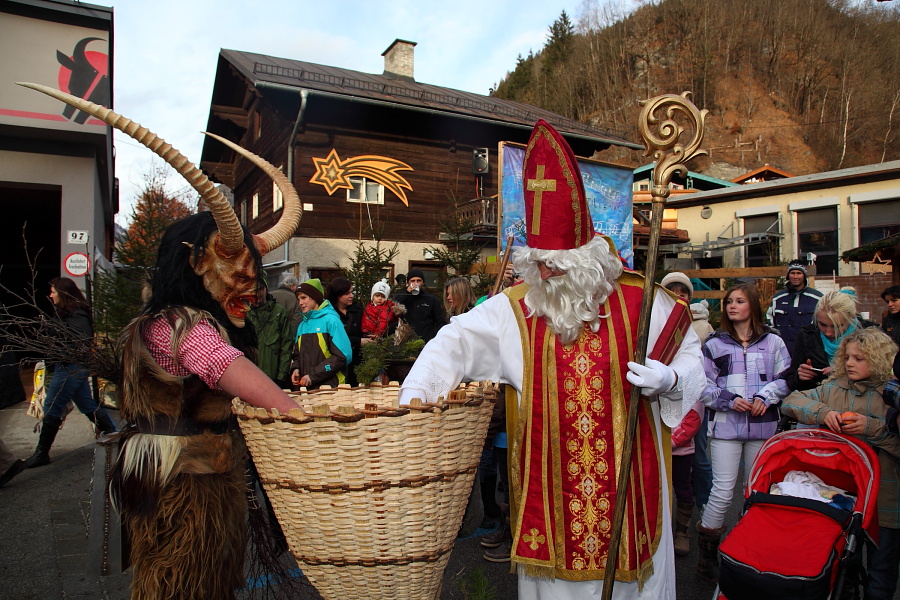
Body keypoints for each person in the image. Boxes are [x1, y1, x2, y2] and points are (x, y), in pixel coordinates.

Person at [398, 120, 705, 599]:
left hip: (631, 499)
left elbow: (691, 356)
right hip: (551, 503)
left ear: (586, 258)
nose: (544, 273)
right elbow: (452, 342)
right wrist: (416, 394)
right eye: (537, 262)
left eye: (556, 265)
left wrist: (670, 379)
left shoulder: (646, 303)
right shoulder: (516, 308)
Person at [781, 328, 900, 600]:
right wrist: (824, 412)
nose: (849, 363)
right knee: (840, 566)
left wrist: (871, 428)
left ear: (879, 359)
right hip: (843, 496)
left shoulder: (893, 395)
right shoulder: (835, 388)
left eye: (859, 358)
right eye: (847, 357)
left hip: (888, 498)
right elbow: (791, 401)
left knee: (881, 576)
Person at [697, 283, 791, 585]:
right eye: (728, 302)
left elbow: (785, 378)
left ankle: (749, 553)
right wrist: (728, 399)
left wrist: (766, 396)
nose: (732, 306)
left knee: (757, 491)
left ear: (753, 304)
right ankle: (707, 559)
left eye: (739, 301)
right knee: (723, 491)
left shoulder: (774, 342)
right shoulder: (714, 344)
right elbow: (703, 386)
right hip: (725, 426)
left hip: (763, 427)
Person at [23, 277, 117, 468]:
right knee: (86, 404)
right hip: (70, 366)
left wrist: (53, 329)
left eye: (53, 292)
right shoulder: (68, 313)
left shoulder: (77, 314)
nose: (50, 295)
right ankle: (115, 434)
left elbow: (79, 339)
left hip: (71, 367)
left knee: (52, 405)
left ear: (63, 294)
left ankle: (42, 453)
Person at [660, 272, 705, 556]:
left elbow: (695, 393)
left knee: (684, 487)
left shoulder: (697, 331)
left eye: (683, 291)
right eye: (671, 291)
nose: (678, 295)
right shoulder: (653, 328)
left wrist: (676, 437)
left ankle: (682, 531)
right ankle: (659, 531)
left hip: (680, 440)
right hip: (655, 435)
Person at [782, 288, 876, 394]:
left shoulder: (871, 335)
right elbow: (791, 382)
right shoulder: (807, 335)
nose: (828, 332)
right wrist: (800, 377)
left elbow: (883, 375)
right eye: (822, 324)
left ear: (852, 318)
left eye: (836, 326)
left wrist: (843, 371)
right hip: (818, 401)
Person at [290, 278, 352, 390]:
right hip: (306, 388)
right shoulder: (302, 325)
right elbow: (297, 355)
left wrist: (313, 375)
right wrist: (296, 368)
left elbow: (342, 356)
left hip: (331, 387)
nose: (300, 303)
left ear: (315, 297)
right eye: (298, 299)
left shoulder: (331, 321)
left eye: (304, 298)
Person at [766, 262, 823, 361]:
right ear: (788, 276)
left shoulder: (817, 298)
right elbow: (770, 323)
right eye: (792, 273)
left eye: (799, 273)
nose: (795, 276)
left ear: (804, 276)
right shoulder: (778, 298)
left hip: (808, 352)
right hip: (782, 352)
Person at [246, 280, 293, 388]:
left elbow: (286, 346)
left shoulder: (279, 312)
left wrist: (281, 377)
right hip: (248, 377)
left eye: (260, 289)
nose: (257, 294)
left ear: (265, 289)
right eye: (253, 290)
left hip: (272, 377)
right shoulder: (244, 312)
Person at [327, 277, 366, 387]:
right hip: (338, 364)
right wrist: (357, 341)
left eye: (352, 292)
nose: (351, 296)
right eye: (347, 293)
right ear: (337, 295)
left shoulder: (357, 311)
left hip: (357, 362)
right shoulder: (329, 315)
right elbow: (332, 338)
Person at [392, 268, 447, 343]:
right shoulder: (403, 296)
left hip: (427, 341)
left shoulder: (431, 299)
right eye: (412, 281)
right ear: (408, 282)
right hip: (405, 342)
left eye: (418, 280)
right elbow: (393, 307)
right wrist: (408, 293)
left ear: (423, 282)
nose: (416, 283)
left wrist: (435, 337)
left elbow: (441, 320)